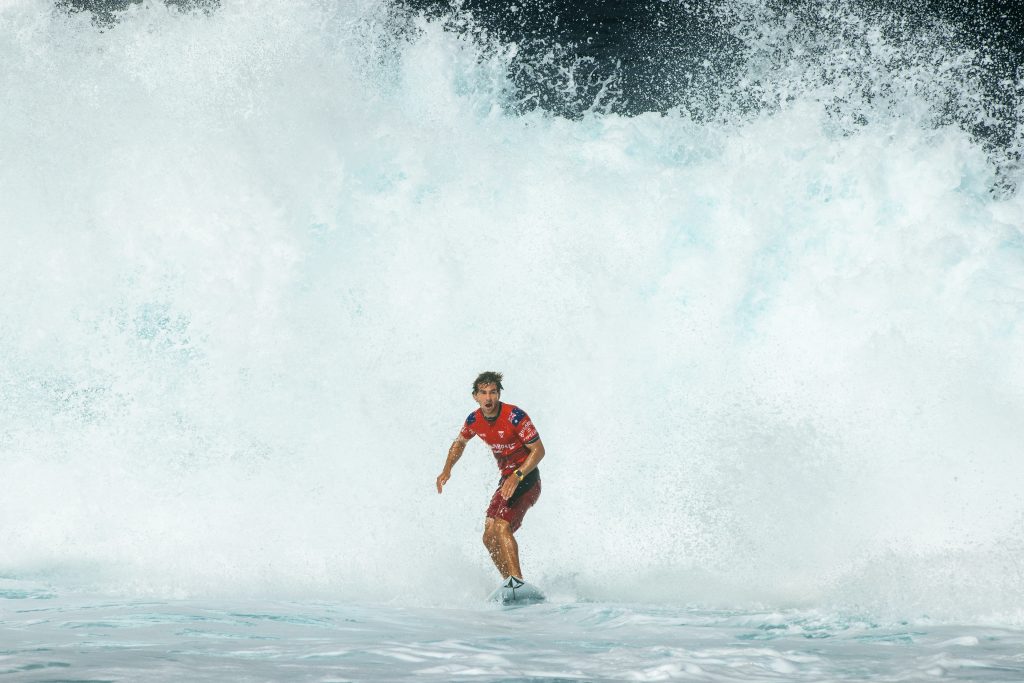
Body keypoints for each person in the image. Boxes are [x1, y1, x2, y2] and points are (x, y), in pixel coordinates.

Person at [436, 371, 545, 582]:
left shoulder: (515, 416)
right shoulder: (474, 420)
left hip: (527, 479)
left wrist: (518, 474)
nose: (488, 398)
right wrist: (447, 469)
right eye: (483, 393)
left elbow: (539, 451)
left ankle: (518, 581)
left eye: (493, 392)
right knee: (488, 536)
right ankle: (510, 584)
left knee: (502, 526)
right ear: (475, 396)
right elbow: (459, 443)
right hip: (506, 481)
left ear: (499, 394)